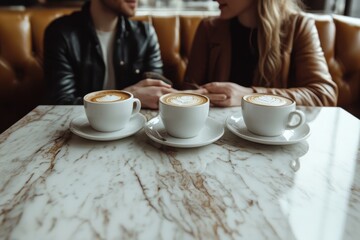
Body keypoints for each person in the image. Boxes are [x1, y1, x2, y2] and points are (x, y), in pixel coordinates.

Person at [183, 0, 338, 107]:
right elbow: (188, 93)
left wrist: (250, 96)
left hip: (275, 140)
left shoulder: (299, 27)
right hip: (219, 138)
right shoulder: (208, 28)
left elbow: (323, 94)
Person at [44, 0, 177, 109]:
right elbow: (61, 105)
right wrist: (129, 96)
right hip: (80, 130)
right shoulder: (61, 33)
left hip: (131, 127)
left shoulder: (145, 34)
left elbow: (155, 93)